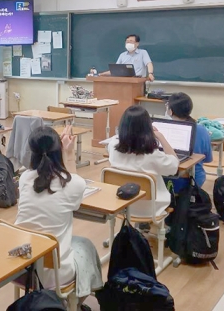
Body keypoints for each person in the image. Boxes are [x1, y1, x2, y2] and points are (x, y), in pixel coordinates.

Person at [15, 126, 101, 301]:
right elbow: (74, 186)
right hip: (54, 272)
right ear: (58, 150)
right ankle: (74, 303)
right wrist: (68, 154)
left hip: (20, 266)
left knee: (76, 242)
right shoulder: (72, 184)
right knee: (86, 246)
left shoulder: (24, 178)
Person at [107, 105, 178, 218]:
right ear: (147, 127)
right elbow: (174, 167)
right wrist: (161, 137)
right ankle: (154, 230)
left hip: (120, 203)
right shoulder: (152, 154)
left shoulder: (112, 145)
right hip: (150, 208)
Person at [164, 93, 213, 194]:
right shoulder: (201, 130)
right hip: (195, 178)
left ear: (170, 111)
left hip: (171, 178)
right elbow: (208, 159)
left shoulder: (164, 129)